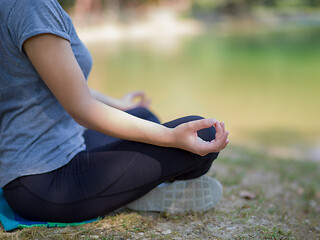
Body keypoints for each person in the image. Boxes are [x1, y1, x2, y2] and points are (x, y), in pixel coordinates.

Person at [0, 0, 229, 223]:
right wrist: (170, 137)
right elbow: (81, 108)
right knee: (204, 134)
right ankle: (141, 190)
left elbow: (64, 85)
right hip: (43, 181)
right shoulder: (31, 5)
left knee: (142, 115)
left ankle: (135, 188)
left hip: (62, 145)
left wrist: (119, 105)